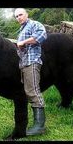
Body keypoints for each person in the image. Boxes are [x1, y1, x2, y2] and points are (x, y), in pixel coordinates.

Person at [14, 8, 47, 136]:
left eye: (20, 15)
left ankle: (39, 126)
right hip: (24, 64)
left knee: (33, 91)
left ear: (26, 14)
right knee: (29, 91)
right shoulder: (21, 29)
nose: (19, 18)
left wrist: (23, 42)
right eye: (16, 16)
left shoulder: (34, 24)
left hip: (32, 62)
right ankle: (37, 124)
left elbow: (42, 35)